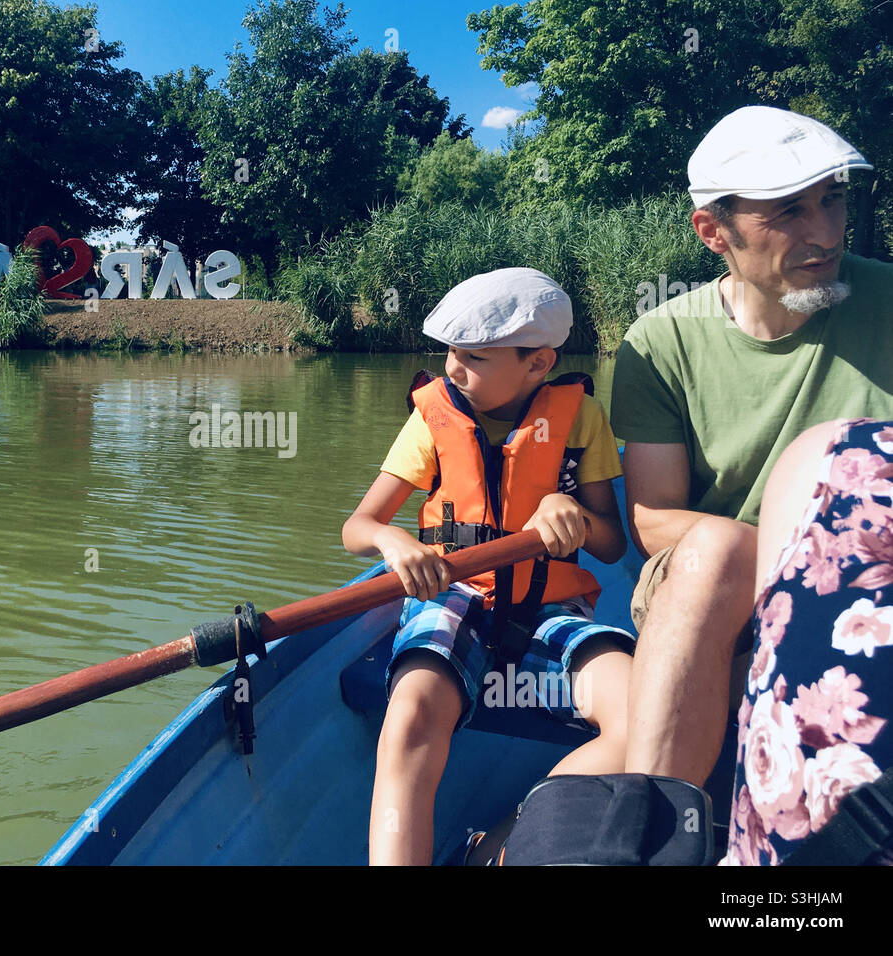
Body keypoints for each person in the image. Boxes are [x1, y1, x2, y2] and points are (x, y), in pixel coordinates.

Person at [610, 106, 893, 787]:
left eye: (833, 200)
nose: (824, 232)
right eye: (788, 212)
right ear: (713, 231)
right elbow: (652, 521)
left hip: (876, 570)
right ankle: (655, 825)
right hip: (716, 583)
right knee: (711, 554)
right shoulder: (659, 342)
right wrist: (800, 563)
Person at [342, 268, 633, 866]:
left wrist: (567, 507)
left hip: (552, 611)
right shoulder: (431, 417)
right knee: (410, 717)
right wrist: (395, 546)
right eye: (450, 351)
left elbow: (608, 544)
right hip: (453, 599)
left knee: (645, 717)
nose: (453, 367)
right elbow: (359, 527)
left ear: (538, 362)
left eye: (473, 356)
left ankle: (502, 841)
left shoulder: (580, 419)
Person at [724, 418, 893, 864]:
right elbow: (651, 519)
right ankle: (659, 815)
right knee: (711, 553)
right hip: (724, 556)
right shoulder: (834, 454)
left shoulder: (826, 452)